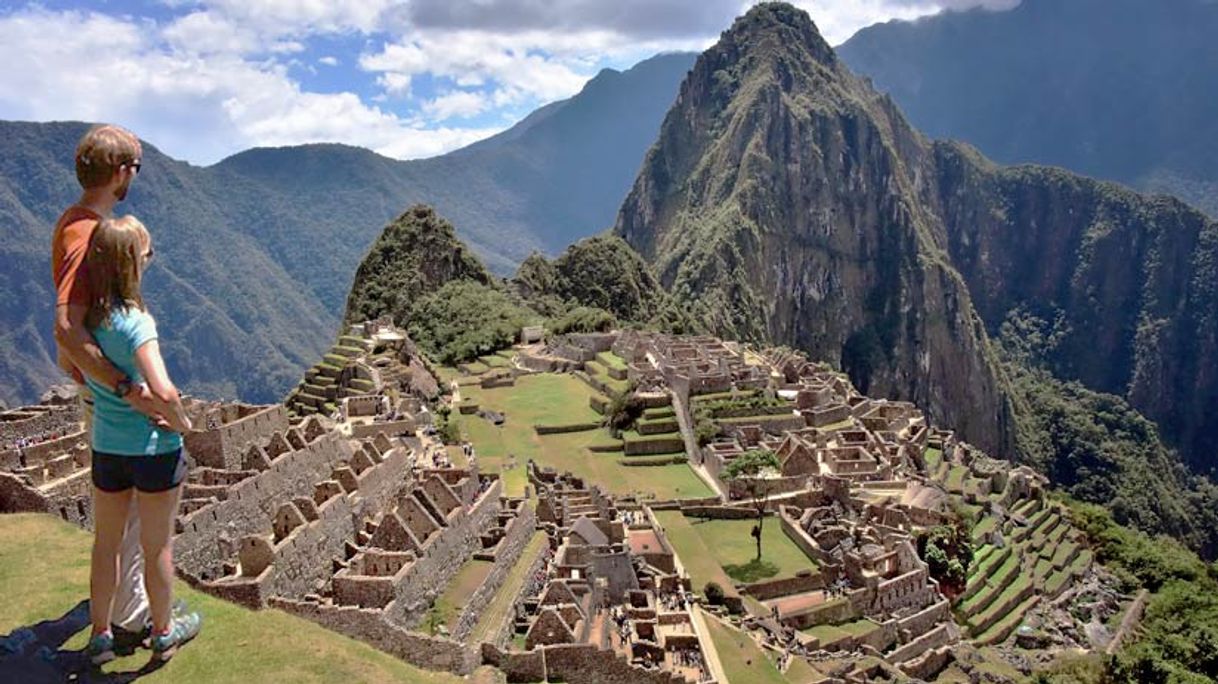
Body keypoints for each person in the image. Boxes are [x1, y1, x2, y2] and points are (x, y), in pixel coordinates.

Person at [52, 124, 168, 658]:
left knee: (118, 524)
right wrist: (124, 385)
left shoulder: (83, 225)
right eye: (136, 171)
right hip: (110, 391)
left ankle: (119, 617)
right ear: (122, 173)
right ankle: (134, 621)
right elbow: (67, 326)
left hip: (103, 387)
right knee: (132, 524)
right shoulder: (87, 235)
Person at [82, 215, 201, 664]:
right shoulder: (136, 322)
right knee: (157, 549)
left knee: (106, 545)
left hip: (107, 448)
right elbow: (164, 388)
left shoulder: (89, 323)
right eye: (147, 254)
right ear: (133, 263)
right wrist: (183, 423)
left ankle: (100, 637)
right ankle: (165, 631)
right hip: (153, 450)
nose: (150, 260)